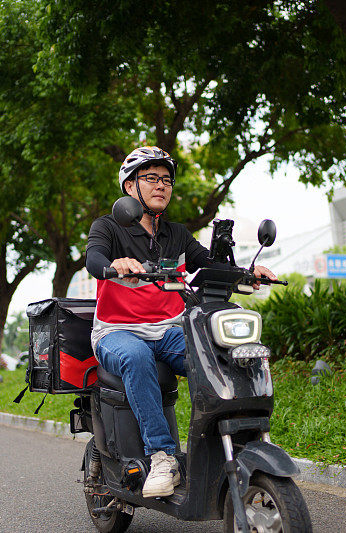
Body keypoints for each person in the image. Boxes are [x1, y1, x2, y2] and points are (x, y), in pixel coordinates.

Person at [85, 146, 277, 498]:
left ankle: (234, 441)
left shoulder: (177, 234)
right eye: (151, 178)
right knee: (137, 356)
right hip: (117, 332)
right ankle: (162, 455)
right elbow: (93, 257)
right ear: (130, 187)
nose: (161, 185)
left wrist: (249, 273)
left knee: (220, 357)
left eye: (166, 180)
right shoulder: (110, 227)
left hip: (170, 331)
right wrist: (116, 265)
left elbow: (208, 267)